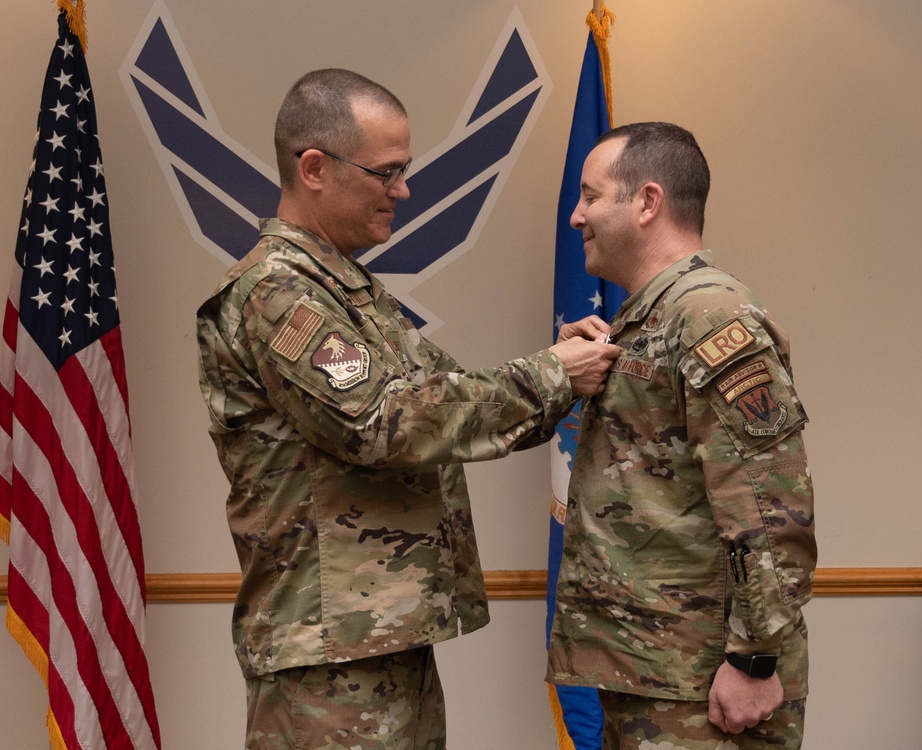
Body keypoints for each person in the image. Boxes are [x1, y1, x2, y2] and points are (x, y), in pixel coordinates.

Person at [196, 68, 619, 750]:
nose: (404, 190)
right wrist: (549, 375)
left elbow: (448, 405)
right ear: (314, 168)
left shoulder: (351, 292)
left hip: (381, 637)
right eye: (386, 172)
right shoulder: (276, 293)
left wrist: (567, 374)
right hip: (326, 656)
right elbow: (383, 423)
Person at [546, 122, 817, 749]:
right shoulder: (646, 319)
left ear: (646, 202)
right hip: (649, 671)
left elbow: (768, 502)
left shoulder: (709, 314)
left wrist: (754, 660)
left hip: (701, 684)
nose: (575, 216)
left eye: (589, 196)